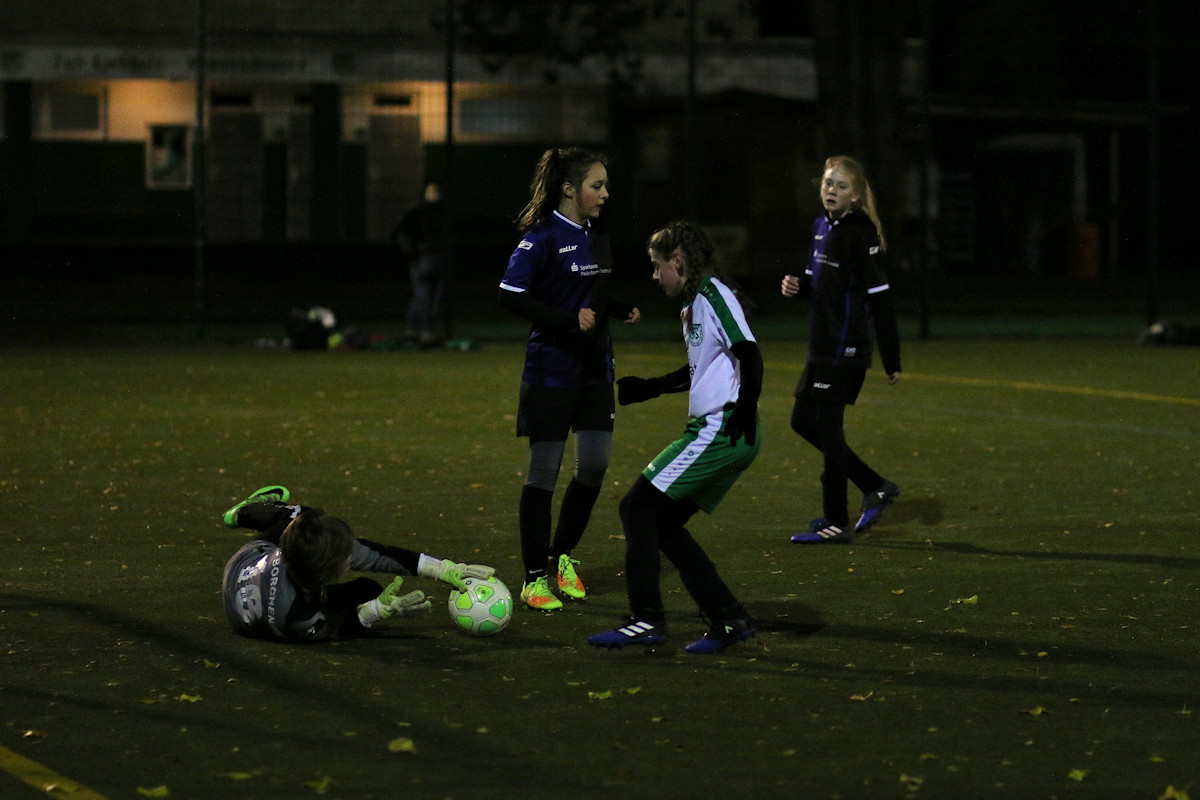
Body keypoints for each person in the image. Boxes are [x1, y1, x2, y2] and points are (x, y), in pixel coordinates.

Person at [588, 221, 761, 654]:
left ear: (678, 262)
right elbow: (700, 370)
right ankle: (729, 618)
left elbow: (750, 354)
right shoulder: (693, 306)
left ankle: (647, 619)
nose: (654, 275)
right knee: (661, 525)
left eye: (657, 265)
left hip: (722, 428)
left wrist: (744, 408)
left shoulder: (715, 296)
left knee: (636, 507)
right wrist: (649, 387)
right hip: (721, 428)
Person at [497, 147, 641, 611]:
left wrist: (618, 309)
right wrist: (564, 319)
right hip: (551, 372)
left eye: (604, 185)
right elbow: (511, 294)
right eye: (596, 186)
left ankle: (562, 558)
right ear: (568, 188)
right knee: (544, 474)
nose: (604, 194)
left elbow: (595, 292)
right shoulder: (539, 238)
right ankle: (534, 577)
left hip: (595, 370)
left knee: (595, 467)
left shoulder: (598, 236)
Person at [781, 155, 902, 544]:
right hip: (822, 344)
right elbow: (822, 286)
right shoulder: (822, 226)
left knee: (829, 431)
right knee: (802, 421)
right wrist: (798, 285)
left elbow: (879, 299)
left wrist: (891, 359)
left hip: (846, 347)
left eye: (841, 186)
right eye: (828, 183)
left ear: (856, 196)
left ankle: (837, 521)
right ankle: (875, 485)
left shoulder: (858, 233)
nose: (832, 190)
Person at [221, 485, 495, 642]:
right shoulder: (296, 616)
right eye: (346, 556)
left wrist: (443, 568)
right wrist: (376, 611)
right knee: (367, 591)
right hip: (257, 601)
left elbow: (379, 556)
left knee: (307, 519)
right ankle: (252, 510)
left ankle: (242, 513)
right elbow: (331, 629)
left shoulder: (302, 549)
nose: (352, 556)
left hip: (245, 564)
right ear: (326, 570)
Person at [393, 180, 446, 348]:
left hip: (435, 259)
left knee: (429, 297)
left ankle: (414, 331)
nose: (434, 195)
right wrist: (412, 257)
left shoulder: (441, 212)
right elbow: (403, 235)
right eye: (430, 192)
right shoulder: (418, 213)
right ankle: (423, 332)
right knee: (423, 297)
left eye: (436, 191)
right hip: (422, 260)